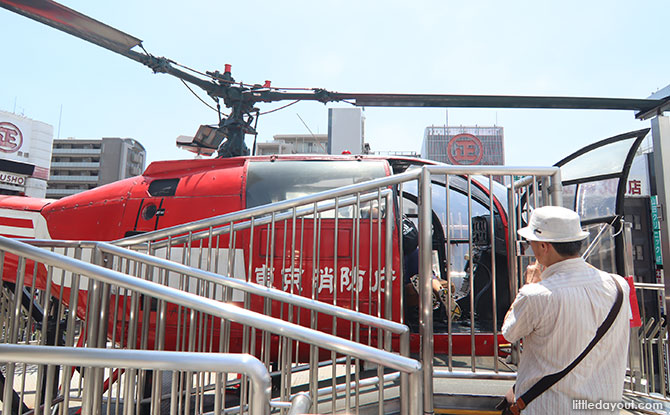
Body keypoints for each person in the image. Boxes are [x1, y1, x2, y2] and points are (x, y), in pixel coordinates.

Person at [501, 206, 630, 414]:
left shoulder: (535, 295)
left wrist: (527, 285)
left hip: (549, 408)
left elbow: (509, 332)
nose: (529, 248)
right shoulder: (619, 286)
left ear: (544, 246)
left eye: (530, 242)